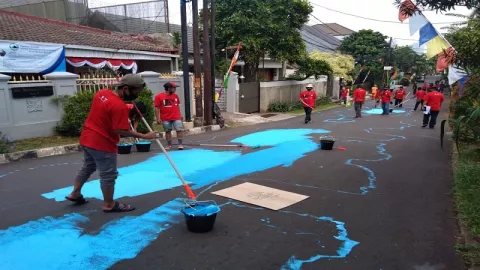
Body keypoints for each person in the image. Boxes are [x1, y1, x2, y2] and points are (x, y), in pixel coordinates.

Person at [65, 74, 157, 212]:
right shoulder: (118, 106)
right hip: (102, 144)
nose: (137, 95)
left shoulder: (102, 93)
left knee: (88, 167)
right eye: (136, 92)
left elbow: (108, 108)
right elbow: (121, 130)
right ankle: (109, 204)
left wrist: (128, 107)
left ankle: (75, 193)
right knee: (108, 174)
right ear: (126, 88)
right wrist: (144, 135)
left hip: (87, 138)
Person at [154, 82, 185, 150]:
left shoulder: (175, 96)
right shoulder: (159, 96)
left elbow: (177, 106)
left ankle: (180, 144)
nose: (175, 89)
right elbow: (156, 108)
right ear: (169, 88)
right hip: (165, 117)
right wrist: (157, 118)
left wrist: (180, 114)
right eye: (174, 88)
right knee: (167, 131)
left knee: (179, 129)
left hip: (176, 116)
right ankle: (169, 145)